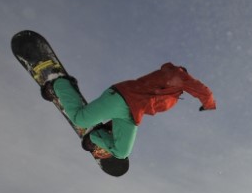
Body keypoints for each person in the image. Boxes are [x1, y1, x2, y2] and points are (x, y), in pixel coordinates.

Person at [41, 63, 216, 160]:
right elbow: (204, 91)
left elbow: (147, 103)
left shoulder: (174, 94)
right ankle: (60, 83)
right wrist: (209, 104)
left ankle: (97, 136)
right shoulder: (177, 75)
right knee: (79, 119)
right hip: (122, 98)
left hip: (132, 113)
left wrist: (110, 126)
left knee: (122, 152)